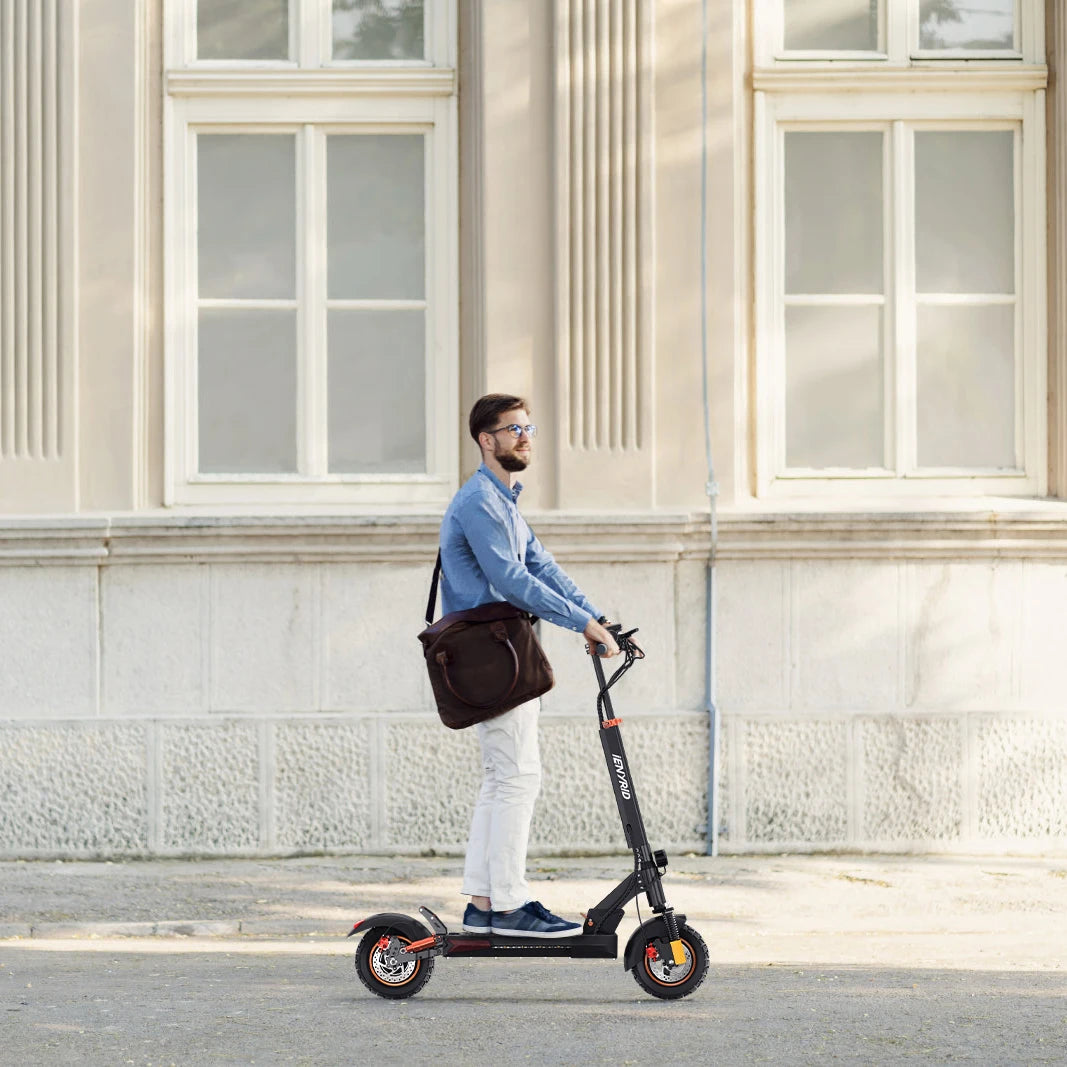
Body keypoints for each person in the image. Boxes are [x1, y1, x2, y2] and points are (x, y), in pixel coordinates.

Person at [438, 393, 620, 939]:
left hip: (504, 650)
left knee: (503, 777)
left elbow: (544, 567)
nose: (524, 437)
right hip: (492, 653)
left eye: (528, 428)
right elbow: (512, 581)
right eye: (512, 429)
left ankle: (483, 900)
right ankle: (510, 905)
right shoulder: (478, 504)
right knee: (517, 776)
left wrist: (597, 619)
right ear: (485, 439)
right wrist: (580, 625)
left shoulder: (505, 503)